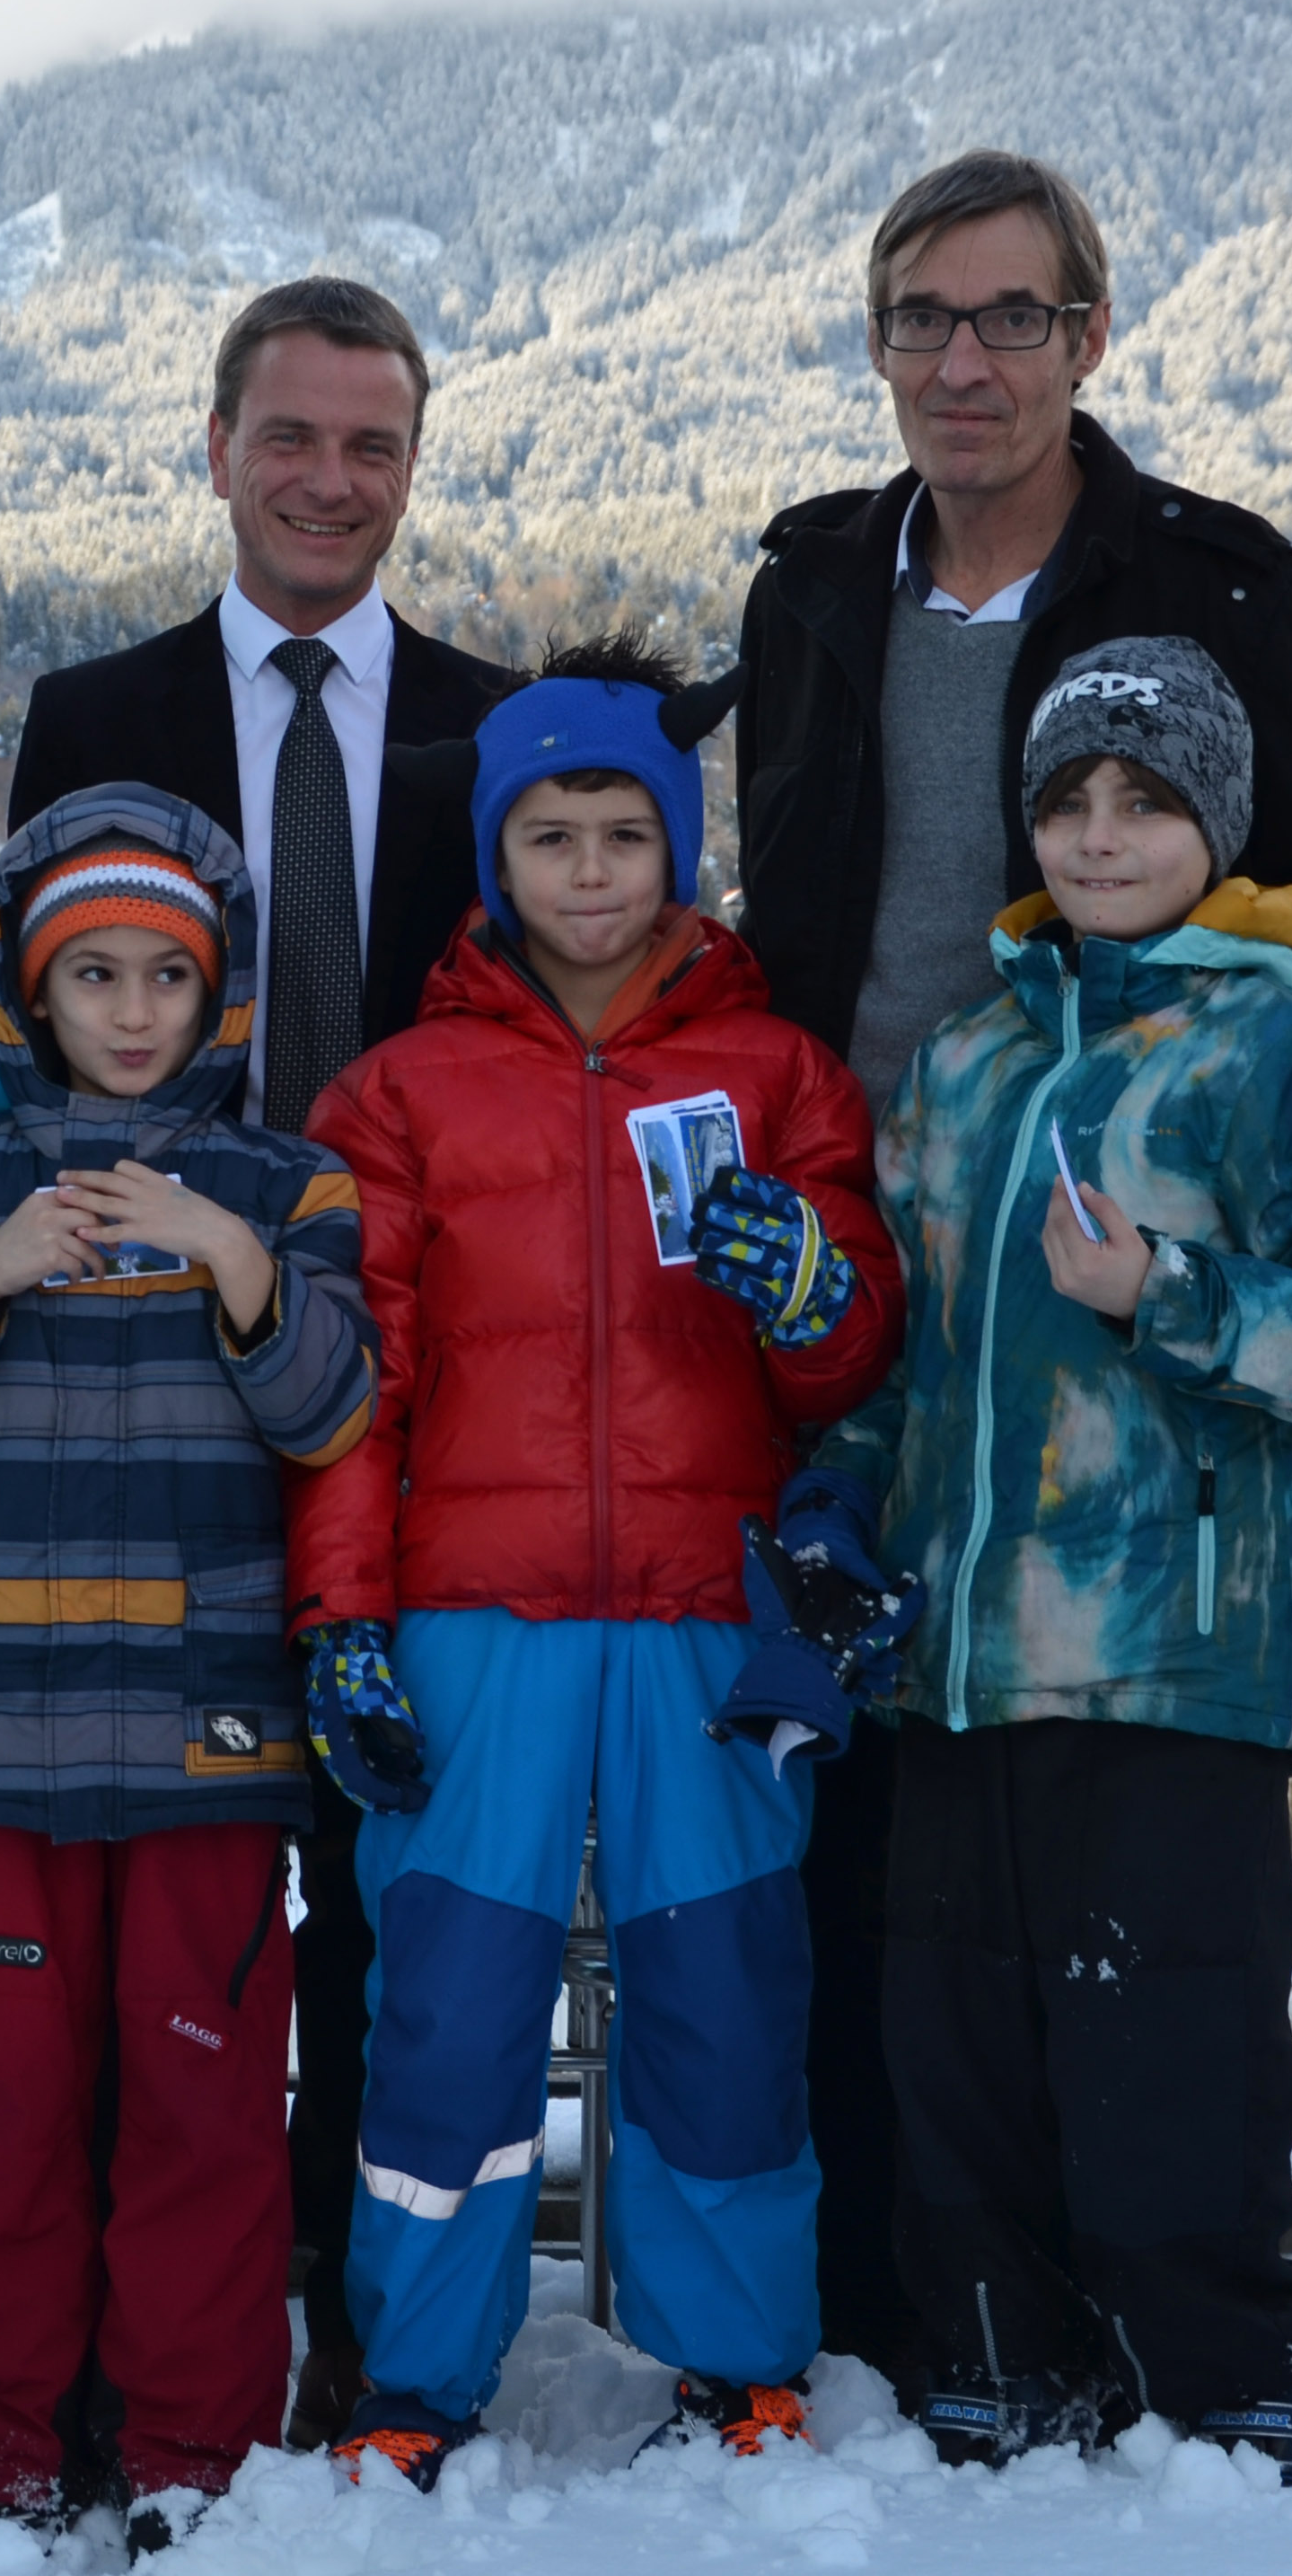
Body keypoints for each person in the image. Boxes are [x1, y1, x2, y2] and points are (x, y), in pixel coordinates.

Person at [716, 150, 1292, 2381]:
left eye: (1009, 318)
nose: (963, 359)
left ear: (1087, 338)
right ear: (876, 343)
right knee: (882, 1855)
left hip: (1133, 1306)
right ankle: (922, 2317)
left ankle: (1176, 2337)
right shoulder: (820, 587)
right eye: (921, 319)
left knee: (1135, 1930)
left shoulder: (1210, 582)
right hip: (881, 1239)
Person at [803, 639, 1292, 2481]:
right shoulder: (967, 1063)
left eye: (1143, 801)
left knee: (1168, 2045)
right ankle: (996, 2349)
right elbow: (914, 1354)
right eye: (1069, 799)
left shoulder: (1272, 1044)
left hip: (1173, 1646)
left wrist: (1162, 1295)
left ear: (1212, 826)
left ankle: (1227, 2371)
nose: (1097, 833)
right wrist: (838, 1496)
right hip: (964, 1653)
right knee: (960, 2043)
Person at [285, 641, 903, 2489]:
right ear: (494, 853)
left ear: (678, 848)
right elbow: (345, 1394)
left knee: (719, 2000)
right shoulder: (397, 1095)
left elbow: (850, 1356)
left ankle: (740, 2355)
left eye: (623, 832)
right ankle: (415, 2367)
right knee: (449, 2013)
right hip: (474, 1620)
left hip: (709, 1621)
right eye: (547, 833)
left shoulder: (777, 1071)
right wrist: (344, 1621)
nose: (585, 870)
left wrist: (814, 1289)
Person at [6, 278, 514, 2445]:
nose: (328, 483)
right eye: (289, 439)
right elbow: (23, 1047)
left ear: (415, 462)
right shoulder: (89, 709)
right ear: (212, 447)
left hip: (411, 1392)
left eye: (370, 446)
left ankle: (343, 2301)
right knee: (163, 1900)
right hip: (142, 1395)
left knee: (384, 1891)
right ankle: (154, 2331)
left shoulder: (504, 731)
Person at [0, 783, 377, 2543]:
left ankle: (189, 2457)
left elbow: (334, 1417)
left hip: (212, 1754)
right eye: (94, 978)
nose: (132, 1012)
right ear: (31, 992)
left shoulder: (288, 1187)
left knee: (205, 2120)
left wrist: (240, 1274)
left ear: (215, 994)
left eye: (166, 976)